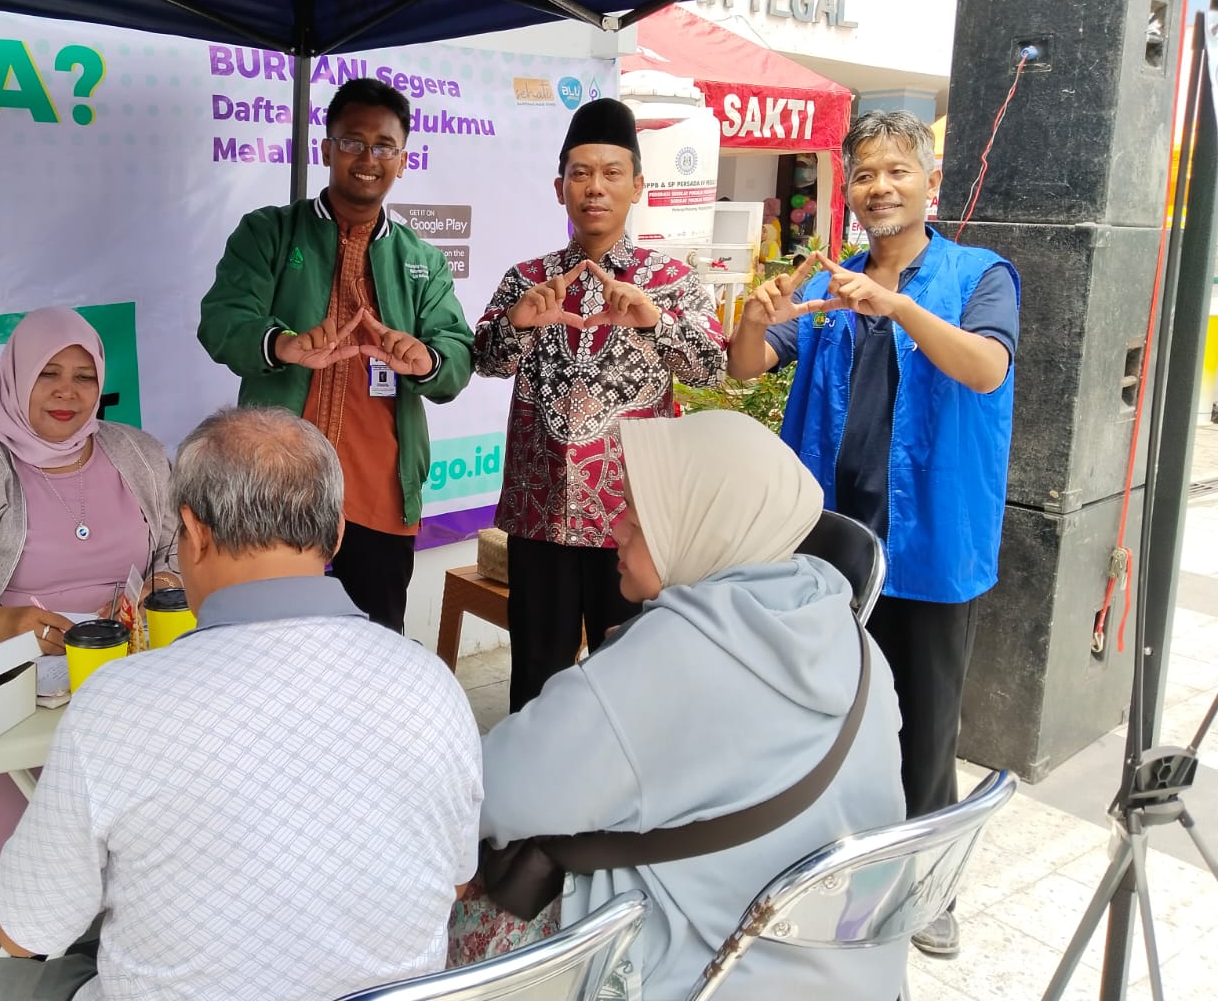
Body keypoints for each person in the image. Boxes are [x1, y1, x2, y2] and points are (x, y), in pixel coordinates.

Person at [0, 407, 482, 1001]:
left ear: (193, 534)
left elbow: (26, 932)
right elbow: (456, 882)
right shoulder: (430, 684)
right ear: (337, 535)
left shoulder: (119, 705)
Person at [473, 410, 907, 999]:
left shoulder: (670, 658)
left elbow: (485, 795)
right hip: (844, 969)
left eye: (642, 512)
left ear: (709, 521)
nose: (616, 526)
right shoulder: (850, 637)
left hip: (695, 971)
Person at [726, 109, 1019, 957]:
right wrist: (756, 315)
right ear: (848, 191)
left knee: (926, 730)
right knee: (830, 712)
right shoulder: (831, 281)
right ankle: (822, 862)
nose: (879, 187)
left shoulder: (979, 274)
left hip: (930, 544)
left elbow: (986, 367)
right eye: (863, 175)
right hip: (832, 544)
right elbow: (749, 363)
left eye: (896, 170)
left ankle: (929, 890)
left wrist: (894, 306)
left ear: (931, 182)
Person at [0, 306, 179, 947]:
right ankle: (16, 958)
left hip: (122, 674)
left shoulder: (138, 453)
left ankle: (124, 954)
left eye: (82, 376)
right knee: (2, 824)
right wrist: (4, 622)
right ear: (15, 378)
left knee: (150, 811)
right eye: (48, 373)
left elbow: (178, 549)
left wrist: (165, 586)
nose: (67, 393)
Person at [473, 97, 727, 710]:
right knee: (536, 679)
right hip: (541, 518)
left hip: (632, 525)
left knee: (632, 681)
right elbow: (484, 358)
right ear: (560, 186)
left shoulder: (668, 279)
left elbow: (713, 368)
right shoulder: (527, 276)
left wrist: (654, 322)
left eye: (612, 173)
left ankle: (626, 804)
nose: (595, 188)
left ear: (637, 185)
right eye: (581, 174)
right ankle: (535, 800)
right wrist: (519, 322)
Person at [197, 78, 473, 632]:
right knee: (264, 646)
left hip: (377, 491)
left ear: (402, 158)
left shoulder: (421, 258)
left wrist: (427, 360)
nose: (367, 159)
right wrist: (281, 344)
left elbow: (457, 351)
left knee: (372, 649)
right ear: (326, 148)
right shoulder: (268, 233)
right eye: (352, 142)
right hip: (272, 487)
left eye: (383, 146)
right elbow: (222, 319)